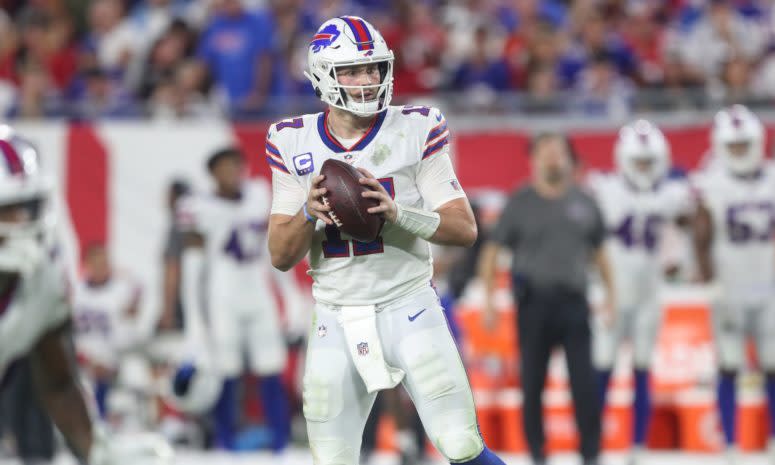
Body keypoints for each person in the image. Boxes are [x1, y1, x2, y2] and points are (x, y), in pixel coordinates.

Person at [266, 15, 506, 465]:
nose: (368, 79)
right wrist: (308, 212)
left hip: (408, 304)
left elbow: (464, 229)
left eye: (374, 67)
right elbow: (280, 255)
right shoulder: (290, 139)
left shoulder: (416, 127)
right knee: (332, 458)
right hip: (334, 314)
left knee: (460, 444)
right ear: (324, 75)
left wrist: (398, 213)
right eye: (353, 70)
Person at [0, 124, 171, 464]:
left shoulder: (43, 278)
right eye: (9, 210)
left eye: (30, 207)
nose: (24, 222)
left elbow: (59, 382)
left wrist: (95, 451)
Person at [478, 132, 614, 465]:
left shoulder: (585, 202)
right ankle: (538, 453)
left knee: (584, 383)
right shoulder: (520, 202)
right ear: (533, 158)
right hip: (533, 304)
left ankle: (591, 454)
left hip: (574, 303)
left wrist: (612, 295)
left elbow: (600, 253)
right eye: (545, 151)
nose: (552, 158)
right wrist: (489, 299)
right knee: (532, 383)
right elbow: (492, 252)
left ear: (570, 159)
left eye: (558, 151)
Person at [587, 120, 691, 465]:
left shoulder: (672, 193)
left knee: (643, 369)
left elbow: (683, 235)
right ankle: (595, 444)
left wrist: (678, 262)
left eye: (649, 161)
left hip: (649, 294)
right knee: (602, 367)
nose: (644, 168)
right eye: (639, 161)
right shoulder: (605, 189)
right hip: (613, 294)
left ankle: (637, 446)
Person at [175, 147, 290, 451]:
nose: (232, 174)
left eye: (236, 167)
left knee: (271, 364)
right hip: (222, 291)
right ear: (212, 174)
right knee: (225, 368)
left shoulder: (258, 194)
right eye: (225, 168)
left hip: (256, 286)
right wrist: (194, 325)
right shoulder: (198, 205)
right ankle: (225, 444)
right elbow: (192, 269)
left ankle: (280, 444)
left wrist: (289, 297)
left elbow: (273, 248)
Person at [692, 104, 775, 463]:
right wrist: (709, 280)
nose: (740, 152)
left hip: (768, 284)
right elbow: (701, 234)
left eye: (745, 145)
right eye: (734, 146)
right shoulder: (712, 180)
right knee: (728, 363)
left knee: (773, 364)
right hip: (729, 284)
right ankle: (728, 446)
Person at [72, 242, 143, 419]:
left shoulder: (121, 290)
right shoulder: (75, 292)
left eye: (104, 264)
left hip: (112, 359)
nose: (100, 269)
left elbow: (127, 336)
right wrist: (86, 360)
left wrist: (110, 362)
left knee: (134, 373)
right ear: (87, 265)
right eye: (95, 264)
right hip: (82, 362)